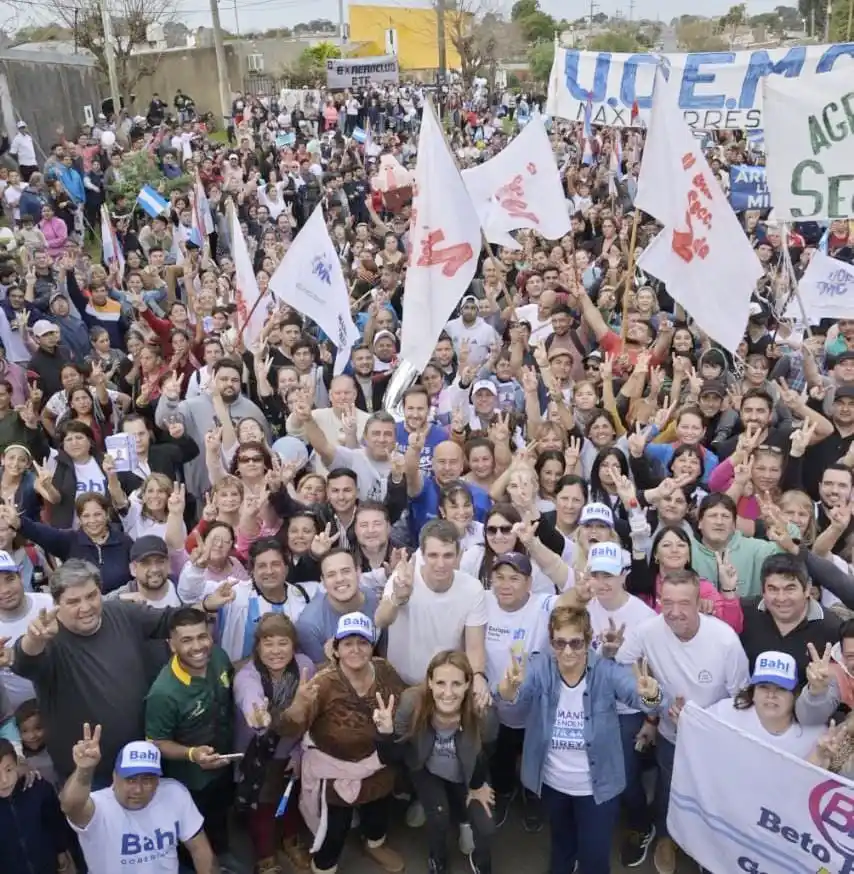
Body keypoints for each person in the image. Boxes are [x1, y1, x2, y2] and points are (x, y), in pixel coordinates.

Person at [9, 559, 229, 785]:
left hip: (140, 758)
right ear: (57, 603)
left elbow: (169, 620)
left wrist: (207, 605)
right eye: (73, 601)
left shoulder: (120, 613)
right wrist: (34, 639)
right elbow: (24, 663)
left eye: (91, 596)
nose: (85, 607)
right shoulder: (49, 637)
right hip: (87, 772)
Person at [497, 603, 665, 874]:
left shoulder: (605, 671)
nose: (567, 651)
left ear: (588, 641)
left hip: (597, 790)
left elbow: (644, 699)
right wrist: (507, 690)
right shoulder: (540, 666)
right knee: (561, 845)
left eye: (575, 643)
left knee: (594, 858)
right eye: (559, 643)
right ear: (551, 642)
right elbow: (515, 693)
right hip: (553, 783)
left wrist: (650, 695)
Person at [615, 569, 750, 874]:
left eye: (684, 603)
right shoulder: (647, 631)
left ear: (699, 602)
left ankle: (707, 850)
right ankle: (665, 838)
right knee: (669, 787)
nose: (674, 612)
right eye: (667, 602)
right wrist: (651, 704)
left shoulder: (724, 640)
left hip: (715, 740)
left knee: (711, 795)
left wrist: (700, 719)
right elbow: (620, 668)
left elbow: (742, 699)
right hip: (671, 734)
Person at [276, 612, 406, 874]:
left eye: (362, 642)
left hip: (377, 763)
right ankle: (323, 866)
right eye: (347, 643)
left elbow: (404, 703)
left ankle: (374, 844)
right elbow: (288, 729)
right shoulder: (323, 684)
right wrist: (296, 708)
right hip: (334, 771)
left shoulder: (384, 670)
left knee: (378, 813)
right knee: (334, 831)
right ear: (336, 649)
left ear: (372, 646)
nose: (355, 650)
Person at [374, 650, 498, 874]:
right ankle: (437, 858)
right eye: (440, 682)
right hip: (427, 771)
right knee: (439, 817)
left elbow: (487, 751)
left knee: (486, 825)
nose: (448, 692)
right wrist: (385, 734)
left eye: (456, 684)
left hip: (465, 774)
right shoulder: (412, 702)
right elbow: (391, 757)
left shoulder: (482, 711)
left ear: (468, 684)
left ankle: (479, 858)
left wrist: (477, 786)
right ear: (429, 682)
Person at [145, 606, 241, 871]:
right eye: (186, 640)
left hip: (223, 764)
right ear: (171, 644)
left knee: (220, 814)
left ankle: (223, 854)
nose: (198, 646)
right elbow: (156, 742)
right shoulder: (163, 693)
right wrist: (192, 754)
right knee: (192, 833)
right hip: (189, 780)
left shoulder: (219, 658)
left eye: (202, 637)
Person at [60, 732, 218, 873]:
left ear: (158, 780)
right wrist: (84, 770)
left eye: (147, 780)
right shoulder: (98, 807)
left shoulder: (174, 793)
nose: (138, 790)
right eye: (130, 780)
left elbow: (200, 850)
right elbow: (70, 806)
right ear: (115, 777)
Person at [234, 613, 314, 873]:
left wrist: (300, 753)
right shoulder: (247, 674)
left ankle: (291, 842)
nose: (276, 651)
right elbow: (250, 697)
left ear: (294, 645)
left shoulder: (305, 667)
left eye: (283, 643)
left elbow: (312, 716)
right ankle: (265, 855)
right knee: (263, 806)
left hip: (292, 750)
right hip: (258, 752)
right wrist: (258, 716)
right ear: (257, 647)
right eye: (268, 643)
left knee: (291, 798)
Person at [706, 651, 824, 757]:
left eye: (781, 688)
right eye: (763, 687)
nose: (771, 695)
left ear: (794, 695)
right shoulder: (724, 713)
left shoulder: (816, 734)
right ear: (753, 692)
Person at [0, 736, 75, 874]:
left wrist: (61, 850)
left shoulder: (38, 788)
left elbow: (55, 822)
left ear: (17, 764)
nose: (4, 780)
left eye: (8, 770)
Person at [296, 548, 380, 665]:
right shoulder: (309, 625)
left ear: (358, 572)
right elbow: (320, 674)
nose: (340, 579)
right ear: (323, 581)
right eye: (331, 575)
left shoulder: (374, 600)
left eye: (346, 571)